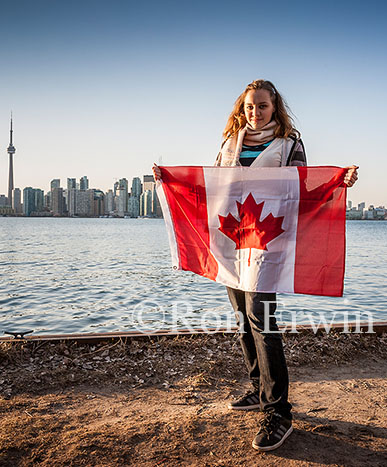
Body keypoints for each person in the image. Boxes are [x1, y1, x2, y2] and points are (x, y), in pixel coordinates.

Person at [153, 79, 358, 452]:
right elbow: (211, 189)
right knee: (242, 318)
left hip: (268, 243)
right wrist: (169, 181)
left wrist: (338, 182)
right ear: (241, 108)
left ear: (274, 108)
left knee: (262, 321)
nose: (254, 112)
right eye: (249, 106)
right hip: (233, 242)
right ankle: (257, 388)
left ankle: (279, 411)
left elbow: (305, 191)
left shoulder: (288, 144)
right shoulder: (230, 145)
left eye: (262, 106)